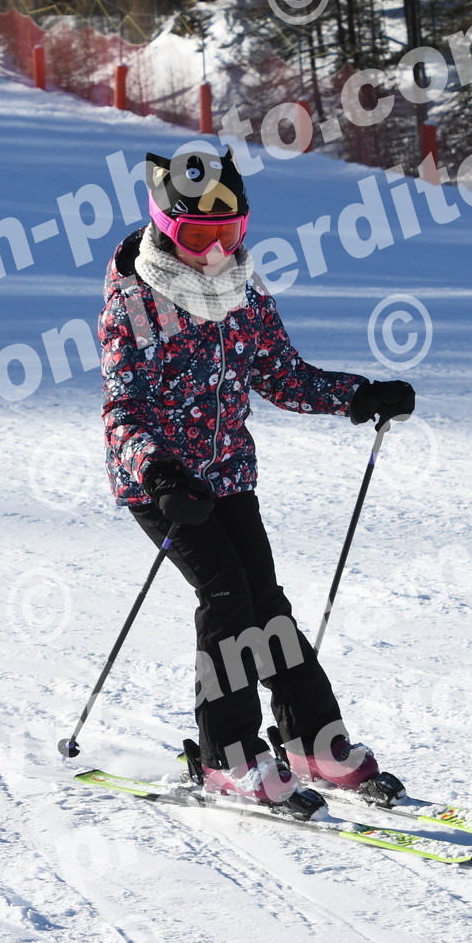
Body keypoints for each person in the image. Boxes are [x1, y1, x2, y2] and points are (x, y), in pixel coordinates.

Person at [97, 148, 416, 806]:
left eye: (229, 232)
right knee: (226, 596)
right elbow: (124, 411)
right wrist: (158, 472)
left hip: (227, 476)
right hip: (164, 487)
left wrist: (357, 395)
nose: (217, 251)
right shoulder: (134, 305)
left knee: (265, 602)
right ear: (165, 230)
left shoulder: (244, 291)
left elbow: (282, 374)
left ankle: (313, 742)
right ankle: (228, 755)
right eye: (199, 237)